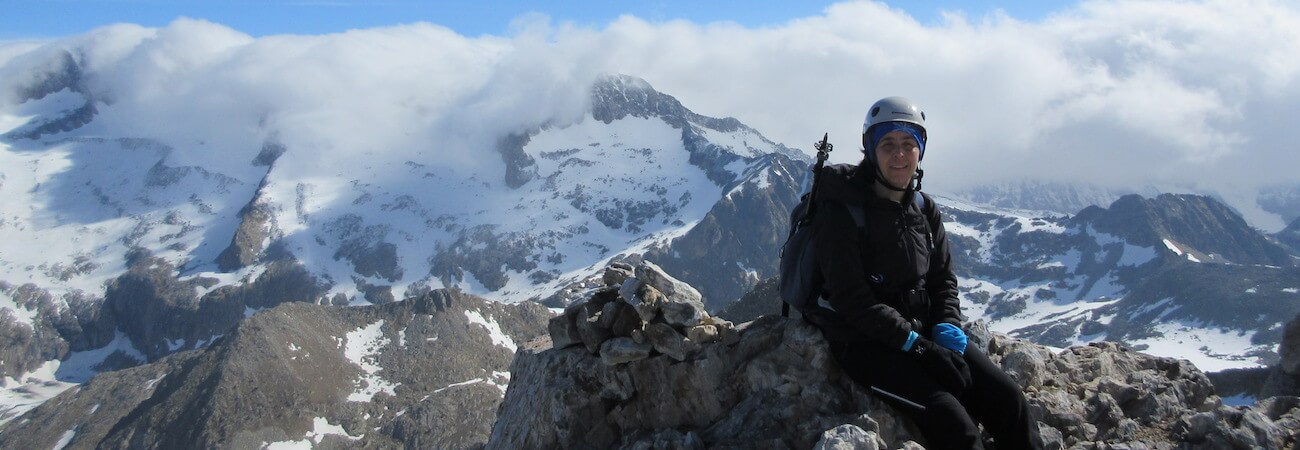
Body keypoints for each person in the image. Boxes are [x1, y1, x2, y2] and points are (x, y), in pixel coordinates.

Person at [805, 96, 1040, 449]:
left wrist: (945, 326)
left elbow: (942, 279)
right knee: (954, 423)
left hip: (922, 330)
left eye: (909, 144)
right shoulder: (840, 211)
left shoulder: (923, 208)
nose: (899, 154)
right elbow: (852, 301)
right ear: (870, 149)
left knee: (1010, 402)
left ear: (921, 151)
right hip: (864, 341)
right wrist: (919, 350)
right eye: (887, 144)